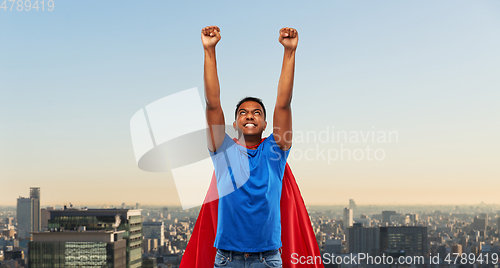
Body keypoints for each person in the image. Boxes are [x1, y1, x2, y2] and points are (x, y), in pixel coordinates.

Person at [201, 25, 298, 268]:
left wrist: (289, 53)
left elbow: (283, 104)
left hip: (268, 259)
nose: (250, 116)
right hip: (227, 259)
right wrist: (209, 51)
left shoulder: (275, 153)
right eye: (243, 113)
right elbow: (213, 104)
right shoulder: (223, 152)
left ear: (266, 124)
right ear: (234, 124)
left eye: (257, 113)